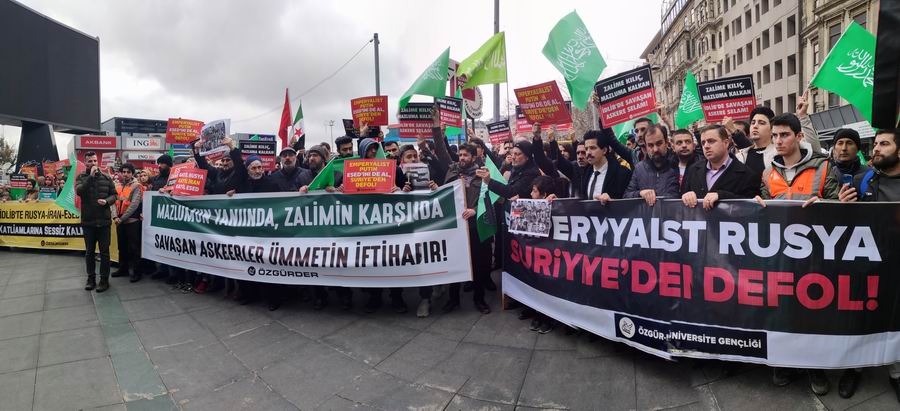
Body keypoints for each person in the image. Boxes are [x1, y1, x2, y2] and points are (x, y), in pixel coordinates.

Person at [835, 129, 900, 402]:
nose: (876, 149)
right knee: (861, 318)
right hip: (865, 267)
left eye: (884, 144)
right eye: (875, 144)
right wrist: (841, 204)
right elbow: (844, 222)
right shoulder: (863, 180)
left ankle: (895, 372)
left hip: (896, 267)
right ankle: (855, 367)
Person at [755, 113, 838, 205]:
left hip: (814, 219)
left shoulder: (823, 167)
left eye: (784, 135)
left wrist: (821, 204)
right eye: (774, 135)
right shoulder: (768, 172)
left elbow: (836, 202)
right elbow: (766, 209)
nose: (778, 141)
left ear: (799, 136)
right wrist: (757, 205)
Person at [681, 125, 760, 209]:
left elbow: (752, 207)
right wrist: (686, 195)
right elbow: (681, 199)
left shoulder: (747, 174)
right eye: (703, 142)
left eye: (711, 141)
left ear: (726, 143)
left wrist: (722, 195)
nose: (706, 146)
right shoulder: (693, 169)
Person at [75, 151, 117, 292]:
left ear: (97, 161)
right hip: (88, 222)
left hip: (104, 222)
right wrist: (91, 177)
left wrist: (106, 201)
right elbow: (80, 191)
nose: (92, 164)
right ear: (85, 163)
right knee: (89, 252)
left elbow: (114, 195)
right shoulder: (81, 177)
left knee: (104, 253)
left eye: (94, 161)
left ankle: (104, 280)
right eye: (89, 161)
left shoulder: (106, 177)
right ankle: (91, 278)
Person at [557, 128, 632, 201]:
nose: (588, 152)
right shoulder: (584, 173)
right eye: (586, 149)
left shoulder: (622, 174)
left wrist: (613, 202)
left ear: (604, 150)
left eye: (593, 148)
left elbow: (630, 202)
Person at [624, 125, 679, 205]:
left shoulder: (678, 164)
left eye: (659, 143)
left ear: (666, 142)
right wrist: (640, 193)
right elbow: (626, 197)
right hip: (647, 216)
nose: (655, 149)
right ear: (645, 146)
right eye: (650, 145)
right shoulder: (639, 169)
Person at [111, 163, 144, 283]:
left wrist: (121, 218)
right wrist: (114, 216)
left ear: (132, 173)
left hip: (132, 221)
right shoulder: (117, 186)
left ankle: (136, 272)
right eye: (123, 172)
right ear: (120, 173)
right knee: (122, 247)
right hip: (119, 221)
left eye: (128, 172)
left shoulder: (137, 186)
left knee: (134, 248)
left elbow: (134, 205)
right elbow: (114, 202)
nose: (125, 174)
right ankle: (123, 269)